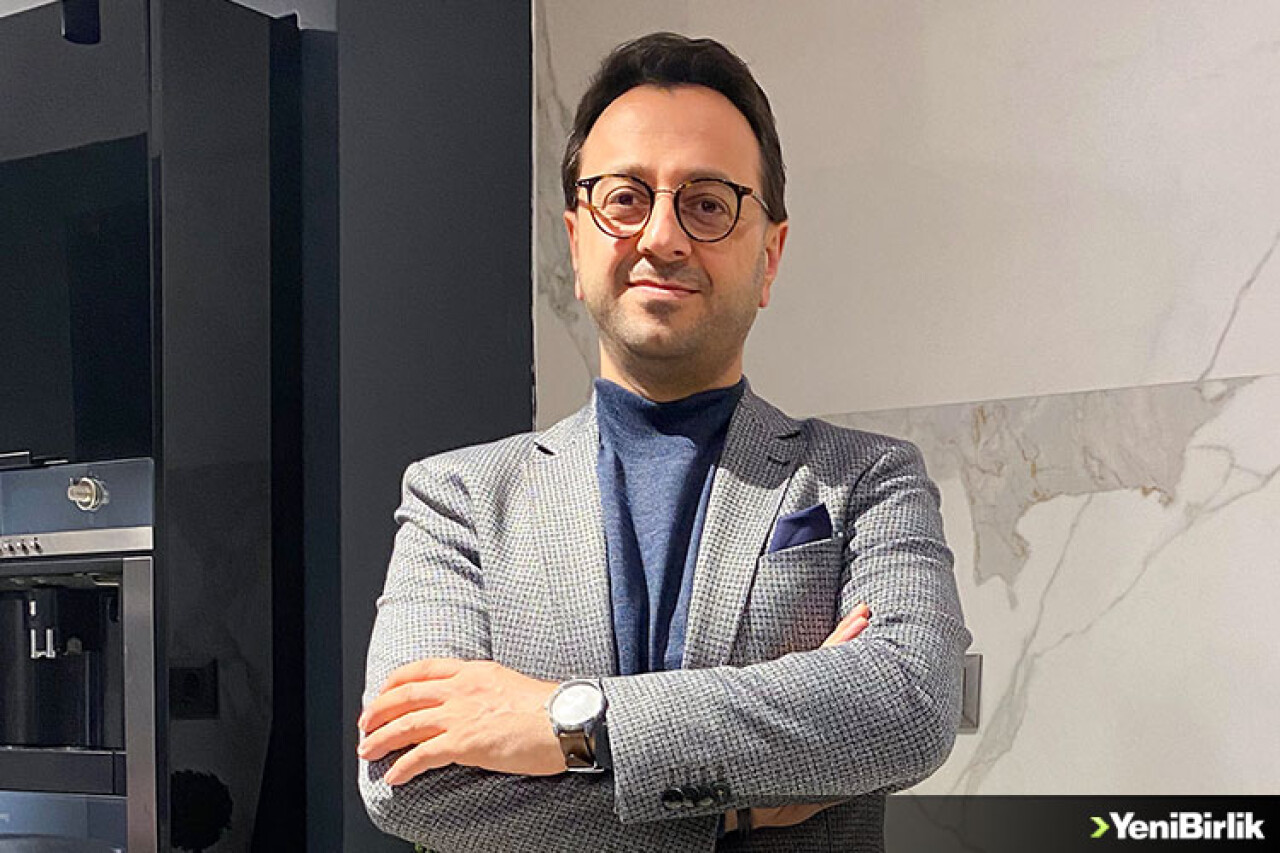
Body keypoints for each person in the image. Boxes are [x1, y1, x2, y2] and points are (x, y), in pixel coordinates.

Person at [357, 32, 970, 852]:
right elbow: (405, 777)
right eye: (625, 198)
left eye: (708, 203)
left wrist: (564, 720)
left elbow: (907, 702)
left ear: (770, 256)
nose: (662, 237)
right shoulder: (459, 499)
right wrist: (735, 807)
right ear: (576, 242)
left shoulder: (867, 480)